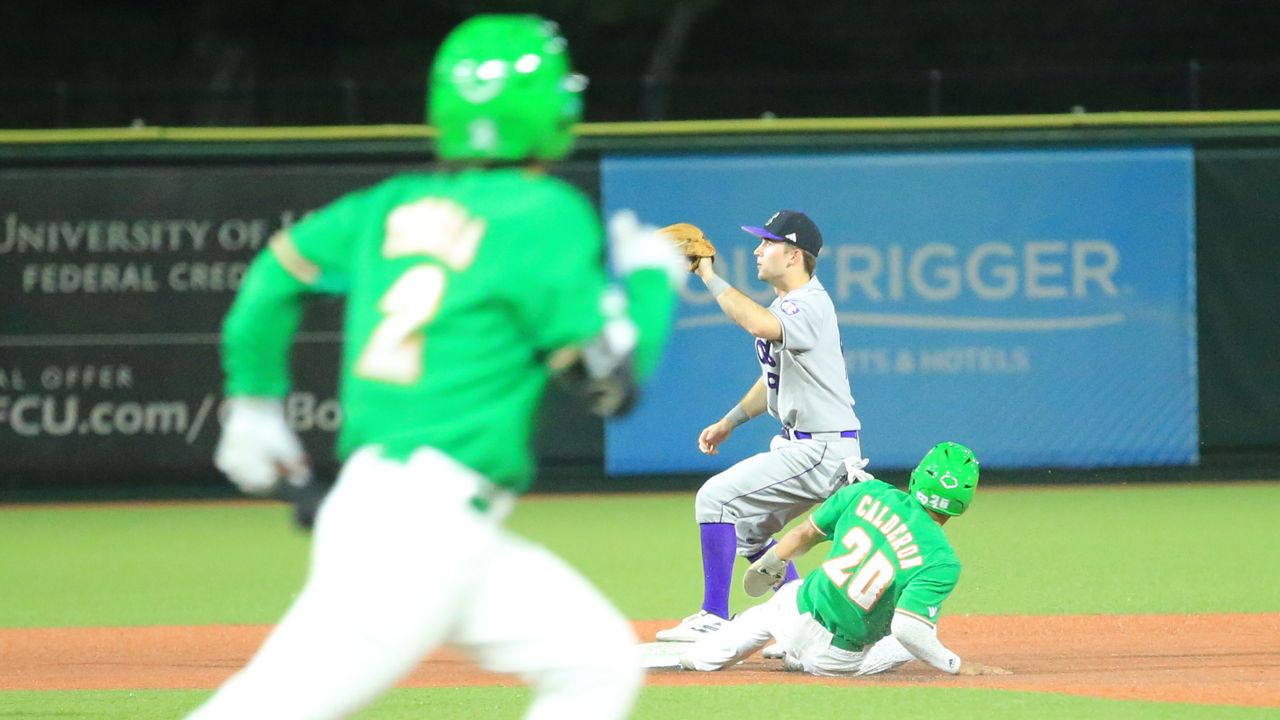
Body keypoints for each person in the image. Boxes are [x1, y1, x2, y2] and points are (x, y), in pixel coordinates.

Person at [187, 14, 685, 720]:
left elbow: (273, 276)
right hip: (422, 530)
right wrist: (651, 283)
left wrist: (255, 404)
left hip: (419, 516)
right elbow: (611, 385)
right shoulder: (544, 212)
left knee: (595, 662)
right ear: (552, 107)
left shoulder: (389, 205)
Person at [657, 209, 863, 641]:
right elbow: (773, 378)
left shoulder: (808, 304)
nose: (758, 249)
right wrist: (730, 421)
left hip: (821, 449)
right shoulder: (791, 306)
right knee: (751, 530)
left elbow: (753, 321)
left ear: (793, 255)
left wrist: (708, 275)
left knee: (715, 499)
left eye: (767, 242)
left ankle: (713, 614)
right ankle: (801, 624)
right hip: (808, 446)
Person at [677, 442, 1011, 678]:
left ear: (916, 477)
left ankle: (703, 656)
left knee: (773, 608)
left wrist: (773, 561)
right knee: (920, 631)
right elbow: (908, 630)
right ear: (964, 502)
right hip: (835, 660)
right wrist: (956, 664)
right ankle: (800, 661)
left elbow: (801, 537)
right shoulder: (941, 561)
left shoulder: (866, 492)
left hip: (794, 613)